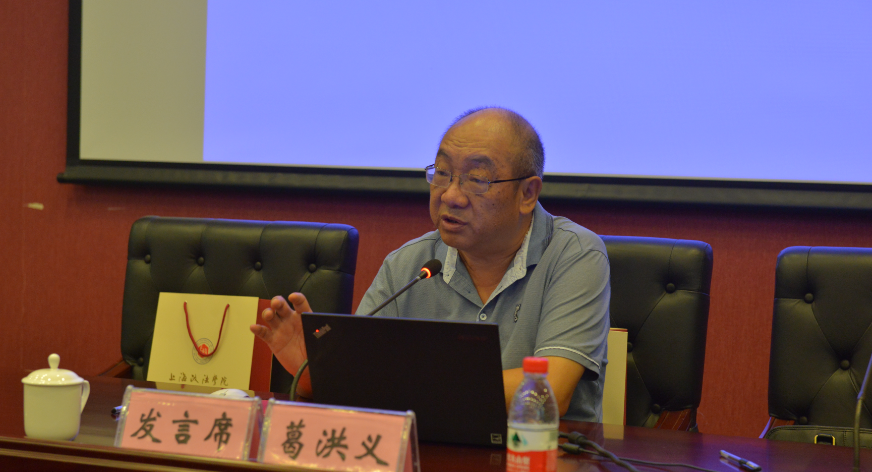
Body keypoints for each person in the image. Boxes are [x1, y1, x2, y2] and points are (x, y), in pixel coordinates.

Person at [251, 107, 610, 421]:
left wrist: (401, 385)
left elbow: (549, 391)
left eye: (477, 179)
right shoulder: (408, 265)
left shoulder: (574, 255)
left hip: (542, 461)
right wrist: (322, 374)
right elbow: (359, 385)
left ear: (527, 194)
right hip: (428, 458)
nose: (450, 195)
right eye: (441, 173)